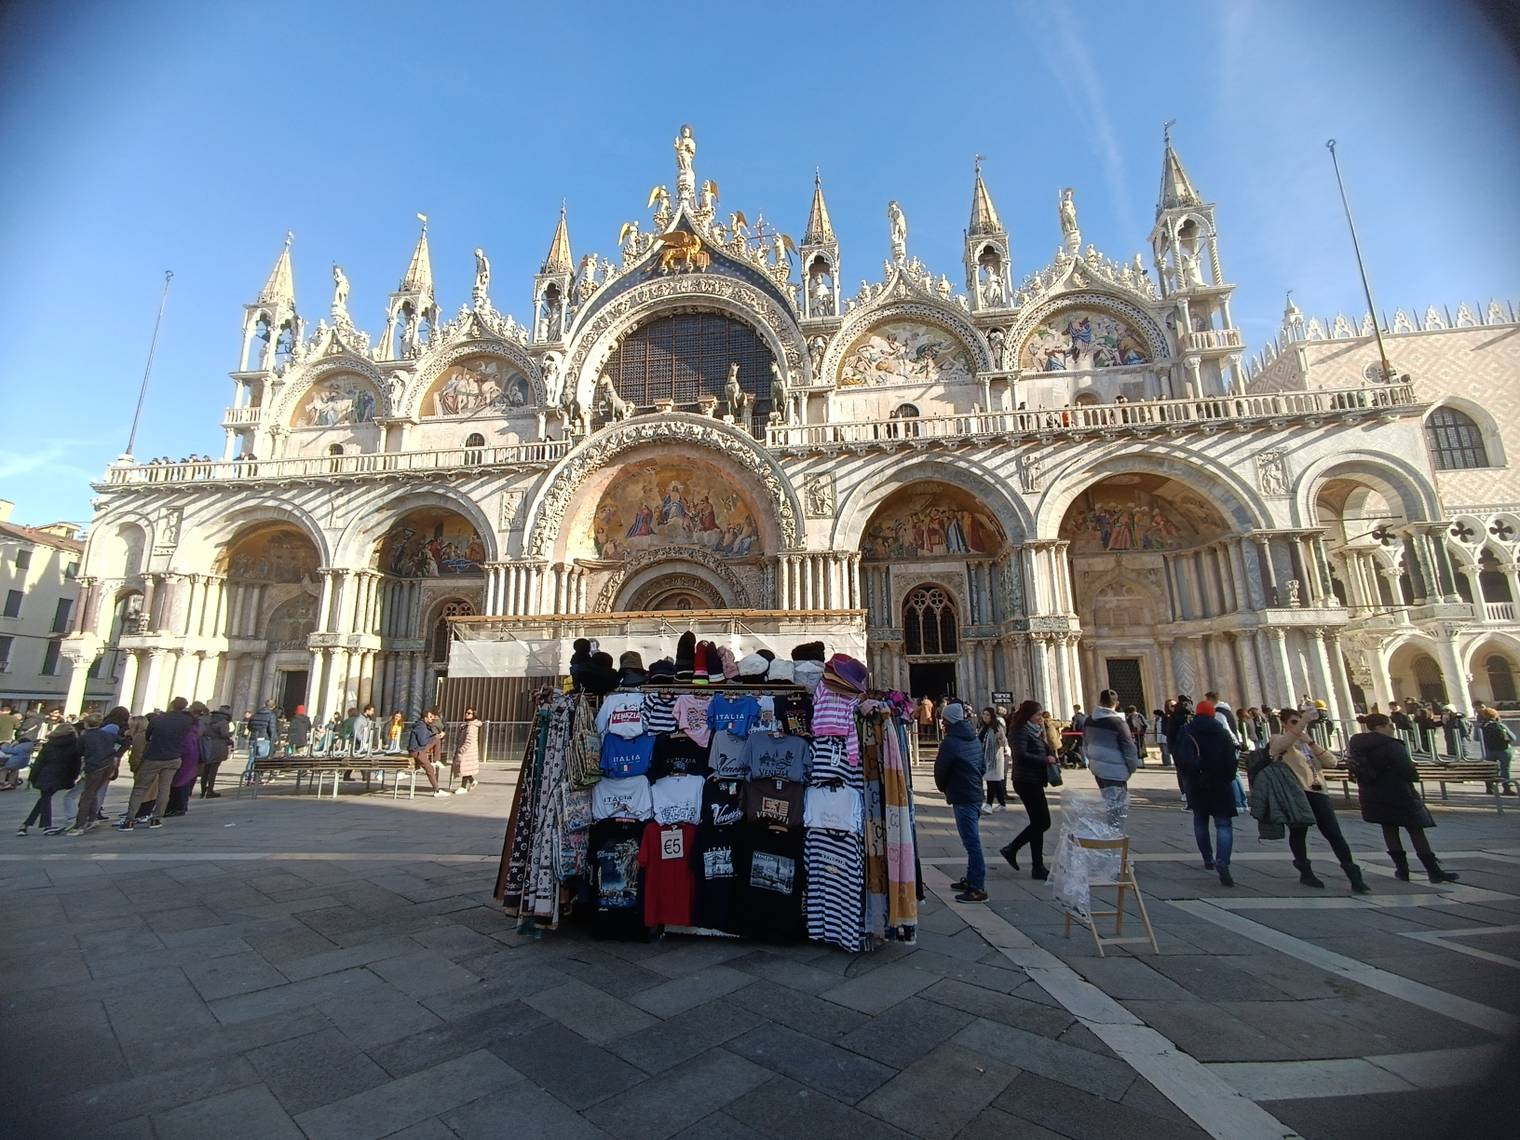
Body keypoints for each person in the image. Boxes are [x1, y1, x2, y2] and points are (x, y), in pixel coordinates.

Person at [1346, 713, 1459, 883]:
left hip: (1373, 792)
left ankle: (1402, 870)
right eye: (1389, 724)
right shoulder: (1392, 745)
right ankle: (1433, 871)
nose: (1392, 727)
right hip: (1399, 792)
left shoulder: (1357, 744)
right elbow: (1407, 770)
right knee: (1416, 830)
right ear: (1380, 726)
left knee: (1389, 829)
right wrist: (1412, 776)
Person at [1268, 707, 1369, 892]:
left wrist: (1312, 742)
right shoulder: (1278, 740)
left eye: (1299, 721)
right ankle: (1305, 870)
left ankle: (1353, 874)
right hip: (1296, 793)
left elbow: (1332, 762)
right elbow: (1279, 746)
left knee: (1333, 833)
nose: (1297, 725)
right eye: (1293, 722)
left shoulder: (1307, 744)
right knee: (1299, 832)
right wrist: (1303, 723)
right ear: (1283, 724)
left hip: (1318, 792)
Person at [1178, 699, 1240, 885]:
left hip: (1197, 783)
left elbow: (1182, 758)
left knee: (1200, 820)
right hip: (1220, 784)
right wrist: (1227, 778)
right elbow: (1231, 761)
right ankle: (1223, 861)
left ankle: (1207, 858)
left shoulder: (1188, 731)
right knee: (1223, 824)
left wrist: (1190, 776)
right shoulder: (1222, 733)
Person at [934, 701, 987, 902]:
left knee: (972, 843)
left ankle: (977, 888)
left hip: (962, 795)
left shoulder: (950, 742)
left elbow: (941, 769)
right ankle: (971, 879)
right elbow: (982, 765)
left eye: (944, 720)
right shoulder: (973, 737)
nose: (942, 723)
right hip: (974, 792)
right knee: (970, 841)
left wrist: (943, 787)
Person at [116, 697, 196, 831]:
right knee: (164, 789)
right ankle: (156, 818)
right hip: (174, 757)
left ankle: (130, 820)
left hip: (154, 756)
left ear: (171, 705)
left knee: (140, 789)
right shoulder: (187, 721)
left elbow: (148, 737)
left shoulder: (158, 719)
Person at [1000, 700, 1053, 880]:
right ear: (1028, 715)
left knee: (1038, 823)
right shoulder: (1018, 731)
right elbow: (1021, 755)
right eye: (1037, 714)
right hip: (1025, 780)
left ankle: (1037, 867)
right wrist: (1045, 760)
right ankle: (1012, 848)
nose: (1040, 717)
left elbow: (1043, 749)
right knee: (1043, 822)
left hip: (1034, 779)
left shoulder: (1036, 731)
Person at [1084, 689, 1139, 825]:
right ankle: (1113, 838)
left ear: (1100, 701)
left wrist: (1091, 762)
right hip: (1115, 771)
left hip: (1097, 769)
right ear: (1117, 703)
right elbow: (1129, 748)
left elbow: (1085, 744)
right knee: (1117, 810)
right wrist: (1132, 767)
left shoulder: (1089, 720)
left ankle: (1109, 835)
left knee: (1109, 804)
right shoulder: (1118, 723)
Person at [18, 718, 80, 835]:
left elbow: (39, 762)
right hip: (62, 774)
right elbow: (75, 764)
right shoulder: (74, 745)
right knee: (45, 798)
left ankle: (26, 825)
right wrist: (73, 777)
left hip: (45, 774)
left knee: (44, 798)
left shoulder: (49, 744)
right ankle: (44, 825)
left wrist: (32, 777)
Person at [63, 713, 122, 835]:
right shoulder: (107, 734)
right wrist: (116, 755)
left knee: (87, 795)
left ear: (86, 724)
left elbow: (78, 752)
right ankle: (93, 818)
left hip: (94, 767)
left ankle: (79, 825)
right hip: (108, 765)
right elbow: (124, 741)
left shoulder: (85, 737)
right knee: (93, 791)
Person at [165, 703, 207, 817]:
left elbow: (186, 747)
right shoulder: (195, 728)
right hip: (191, 759)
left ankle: (177, 807)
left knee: (179, 783)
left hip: (186, 759)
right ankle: (179, 806)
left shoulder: (189, 731)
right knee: (183, 782)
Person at [406, 709, 451, 797]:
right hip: (417, 751)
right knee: (430, 769)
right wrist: (434, 737)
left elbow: (427, 738)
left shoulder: (424, 725)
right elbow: (422, 741)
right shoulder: (421, 726)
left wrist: (435, 736)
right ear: (425, 718)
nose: (432, 719)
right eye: (430, 717)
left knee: (437, 738)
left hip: (419, 749)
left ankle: (436, 760)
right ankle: (437, 790)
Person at [978, 706, 1009, 812]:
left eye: (987, 715)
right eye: (984, 714)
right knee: (995, 781)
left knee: (992, 781)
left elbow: (1003, 741)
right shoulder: (983, 727)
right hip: (986, 757)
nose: (985, 717)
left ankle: (989, 804)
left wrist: (1000, 739)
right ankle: (1001, 803)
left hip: (995, 758)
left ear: (992, 716)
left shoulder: (996, 727)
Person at [1478, 708, 1514, 795]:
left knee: (1490, 769)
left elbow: (1476, 738)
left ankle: (1490, 788)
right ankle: (1506, 788)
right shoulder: (1500, 725)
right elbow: (1513, 737)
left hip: (1489, 751)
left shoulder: (1482, 726)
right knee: (1505, 769)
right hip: (1504, 750)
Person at [200, 705, 234, 797]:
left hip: (207, 745)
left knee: (206, 769)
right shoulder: (223, 722)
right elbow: (224, 734)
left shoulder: (208, 720)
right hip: (218, 746)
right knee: (213, 770)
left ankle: (203, 790)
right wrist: (231, 734)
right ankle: (210, 790)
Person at [452, 707, 481, 794]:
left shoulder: (472, 726)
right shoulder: (466, 725)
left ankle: (463, 787)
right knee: (466, 768)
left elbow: (469, 740)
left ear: (474, 715)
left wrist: (462, 750)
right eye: (466, 712)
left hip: (468, 751)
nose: (466, 714)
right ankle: (472, 781)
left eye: (469, 713)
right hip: (466, 750)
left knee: (464, 768)